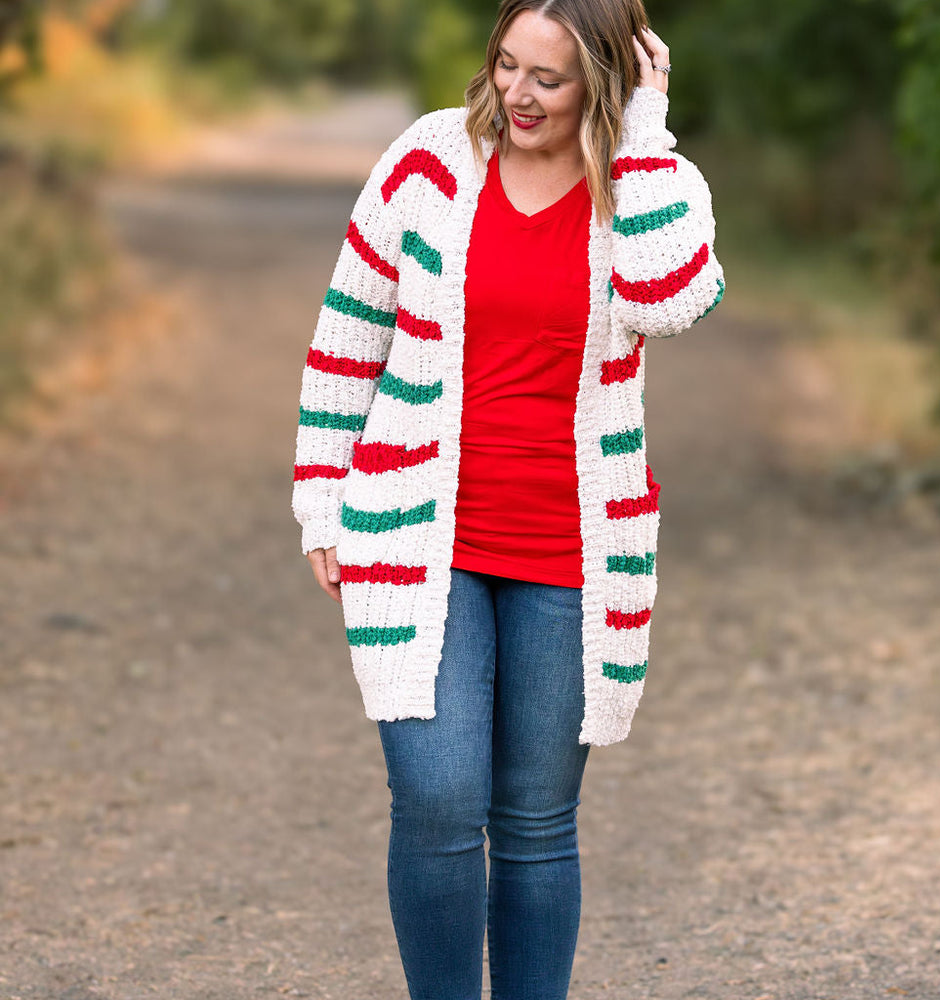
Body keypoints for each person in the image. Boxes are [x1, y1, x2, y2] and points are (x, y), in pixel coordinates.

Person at [291, 0, 723, 996]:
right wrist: (322, 494)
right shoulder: (425, 163)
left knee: (534, 823)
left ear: (606, 84)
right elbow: (348, 334)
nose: (514, 94)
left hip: (571, 552)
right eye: (505, 65)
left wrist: (647, 136)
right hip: (417, 532)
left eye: (547, 78)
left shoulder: (652, 187)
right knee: (437, 801)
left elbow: (670, 299)